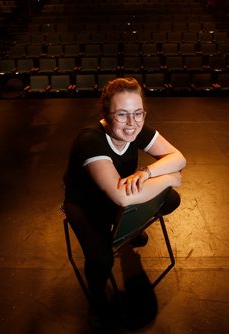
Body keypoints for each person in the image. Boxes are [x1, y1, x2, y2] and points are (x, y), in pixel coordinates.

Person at [62, 77, 186, 331]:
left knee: (171, 199)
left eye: (138, 113)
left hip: (118, 191)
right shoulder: (91, 140)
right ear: (106, 114)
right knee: (101, 258)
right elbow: (123, 197)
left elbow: (178, 156)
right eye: (122, 114)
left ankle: (131, 232)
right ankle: (97, 300)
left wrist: (148, 173)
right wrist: (170, 177)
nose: (132, 123)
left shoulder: (137, 129)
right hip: (85, 204)